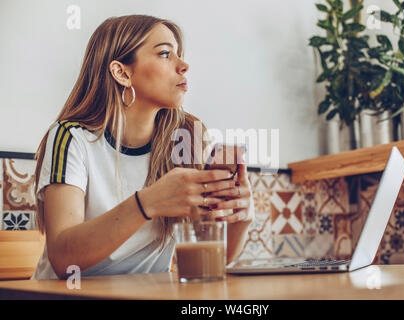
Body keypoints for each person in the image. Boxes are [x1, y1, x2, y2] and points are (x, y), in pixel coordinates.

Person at [31, 15, 254, 280]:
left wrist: (242, 218)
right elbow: (65, 261)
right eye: (164, 54)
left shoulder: (187, 137)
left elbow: (205, 264)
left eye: (179, 55)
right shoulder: (70, 137)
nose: (183, 65)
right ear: (122, 73)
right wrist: (147, 203)